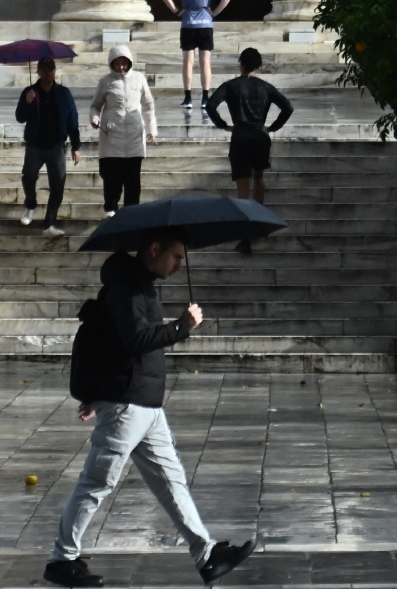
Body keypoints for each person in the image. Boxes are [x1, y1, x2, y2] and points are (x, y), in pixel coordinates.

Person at [43, 227, 254, 588]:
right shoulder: (127, 289)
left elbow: (115, 346)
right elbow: (135, 339)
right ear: (154, 249)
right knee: (97, 483)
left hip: (145, 406)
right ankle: (62, 559)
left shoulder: (138, 287)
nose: (177, 265)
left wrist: (99, 393)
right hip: (128, 407)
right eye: (175, 257)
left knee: (172, 482)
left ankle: (206, 555)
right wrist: (182, 327)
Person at [205, 48, 294, 254]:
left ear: (241, 63)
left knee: (243, 186)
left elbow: (211, 106)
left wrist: (223, 124)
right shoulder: (265, 87)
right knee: (259, 177)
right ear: (258, 65)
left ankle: (245, 236)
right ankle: (259, 221)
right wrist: (272, 127)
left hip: (241, 137)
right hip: (260, 137)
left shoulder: (231, 86)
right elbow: (287, 107)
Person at [15, 57, 82, 236]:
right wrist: (27, 103)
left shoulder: (63, 93)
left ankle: (49, 223)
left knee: (58, 185)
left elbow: (72, 120)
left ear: (55, 71)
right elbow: (20, 117)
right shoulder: (29, 92)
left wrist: (76, 146)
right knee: (28, 176)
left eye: (50, 69)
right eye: (44, 69)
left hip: (57, 145)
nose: (47, 73)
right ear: (38, 72)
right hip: (35, 145)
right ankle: (31, 204)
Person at [89, 45, 157, 218]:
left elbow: (148, 106)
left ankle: (131, 216)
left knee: (133, 183)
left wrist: (152, 130)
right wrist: (95, 118)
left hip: (134, 138)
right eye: (117, 64)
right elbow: (96, 106)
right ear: (111, 64)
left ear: (129, 62)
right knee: (112, 180)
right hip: (112, 138)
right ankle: (110, 211)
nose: (121, 67)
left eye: (124, 63)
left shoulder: (139, 79)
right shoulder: (105, 82)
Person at [162, 0, 231, 110]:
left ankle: (188, 98)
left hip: (188, 24)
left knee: (188, 62)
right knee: (205, 61)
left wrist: (177, 11)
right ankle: (205, 98)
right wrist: (214, 12)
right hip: (205, 23)